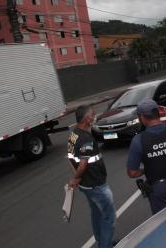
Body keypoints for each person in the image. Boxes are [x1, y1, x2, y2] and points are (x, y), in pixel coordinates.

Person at [67, 105, 115, 248]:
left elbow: (70, 159)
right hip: (96, 185)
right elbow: (82, 164)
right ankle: (105, 246)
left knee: (96, 214)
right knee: (109, 217)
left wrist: (77, 179)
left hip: (86, 185)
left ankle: (102, 241)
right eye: (92, 115)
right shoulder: (85, 138)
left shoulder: (73, 135)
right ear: (86, 119)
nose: (94, 117)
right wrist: (76, 178)